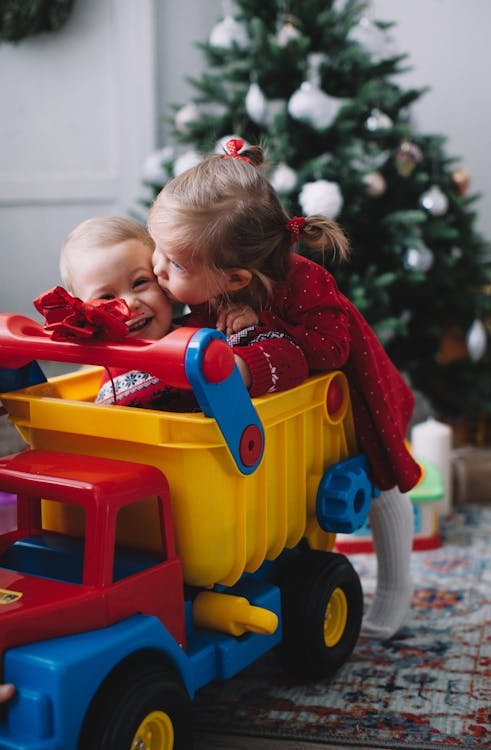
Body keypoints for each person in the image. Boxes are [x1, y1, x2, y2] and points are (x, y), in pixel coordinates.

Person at [147, 139, 422, 640]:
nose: (158, 269)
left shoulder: (304, 281)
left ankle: (396, 588)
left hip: (353, 394)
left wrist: (253, 349)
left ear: (234, 277)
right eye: (157, 250)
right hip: (294, 414)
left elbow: (332, 348)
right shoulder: (208, 285)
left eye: (175, 264)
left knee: (378, 481)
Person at [53, 215, 307, 406]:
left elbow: (292, 359)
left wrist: (233, 369)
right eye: (106, 297)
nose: (130, 304)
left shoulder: (205, 334)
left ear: (164, 281)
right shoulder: (102, 363)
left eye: (140, 283)